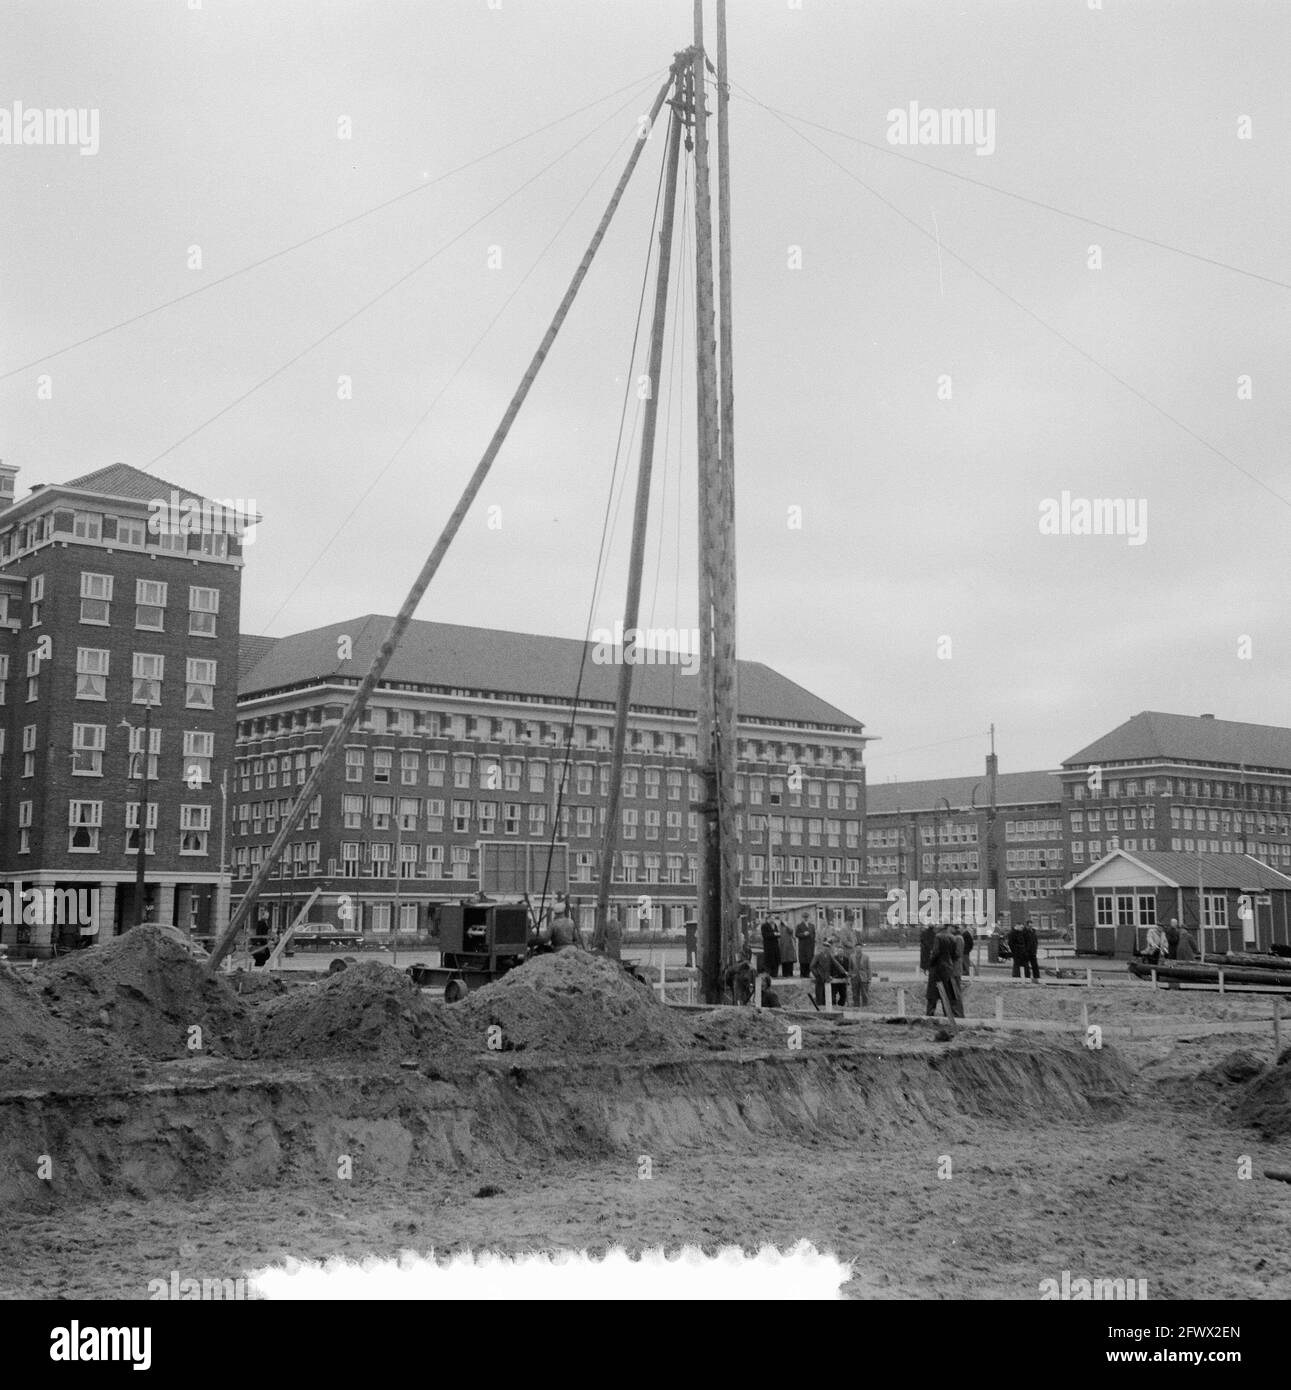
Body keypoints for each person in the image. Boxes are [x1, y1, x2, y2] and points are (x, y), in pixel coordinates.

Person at [926, 921, 964, 1018]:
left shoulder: (938, 937)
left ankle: (930, 1014)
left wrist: (930, 963)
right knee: (947, 994)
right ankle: (948, 1014)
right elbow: (956, 954)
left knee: (933, 994)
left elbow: (936, 953)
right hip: (949, 969)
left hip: (937, 969)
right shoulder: (953, 938)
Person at [849, 939, 872, 1007]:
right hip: (855, 977)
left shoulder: (866, 957)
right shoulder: (851, 956)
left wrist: (869, 978)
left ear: (862, 948)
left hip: (863, 977)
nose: (858, 949)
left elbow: (869, 968)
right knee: (855, 992)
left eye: (860, 948)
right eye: (857, 948)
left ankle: (865, 1005)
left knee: (864, 992)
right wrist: (851, 975)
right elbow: (850, 967)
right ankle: (856, 1004)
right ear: (855, 948)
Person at [796, 914, 816, 979]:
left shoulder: (812, 925)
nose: (806, 918)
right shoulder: (799, 925)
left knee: (809, 960)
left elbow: (814, 934)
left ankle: (808, 973)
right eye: (804, 917)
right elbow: (796, 934)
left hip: (810, 946)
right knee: (803, 960)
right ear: (802, 918)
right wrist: (803, 934)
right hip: (803, 945)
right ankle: (802, 973)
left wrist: (813, 942)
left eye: (807, 917)